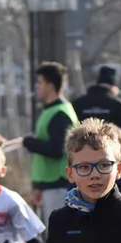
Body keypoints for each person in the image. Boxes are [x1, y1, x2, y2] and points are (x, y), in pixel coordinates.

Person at [24, 62, 79, 224]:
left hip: (59, 185)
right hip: (50, 185)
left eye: (39, 82)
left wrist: (29, 143)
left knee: (59, 236)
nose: (37, 86)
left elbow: (57, 150)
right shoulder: (50, 110)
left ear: (50, 85)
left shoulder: (60, 113)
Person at [72, 66, 121, 185]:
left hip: (80, 169)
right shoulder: (119, 106)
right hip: (110, 170)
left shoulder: (76, 105)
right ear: (114, 87)